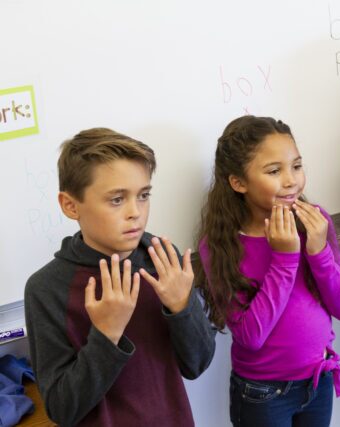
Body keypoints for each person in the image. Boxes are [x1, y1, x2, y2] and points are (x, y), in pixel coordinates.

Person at [24, 128, 217, 426]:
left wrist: (182, 309)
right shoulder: (47, 289)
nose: (135, 213)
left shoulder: (162, 260)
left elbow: (197, 365)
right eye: (116, 200)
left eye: (143, 196)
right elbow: (62, 409)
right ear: (70, 205)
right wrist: (106, 334)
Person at [197, 115, 340, 427]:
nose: (291, 180)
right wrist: (285, 259)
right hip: (262, 393)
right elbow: (250, 337)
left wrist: (318, 251)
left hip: (317, 379)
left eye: (296, 166)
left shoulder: (315, 222)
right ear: (238, 182)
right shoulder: (221, 246)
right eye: (274, 171)